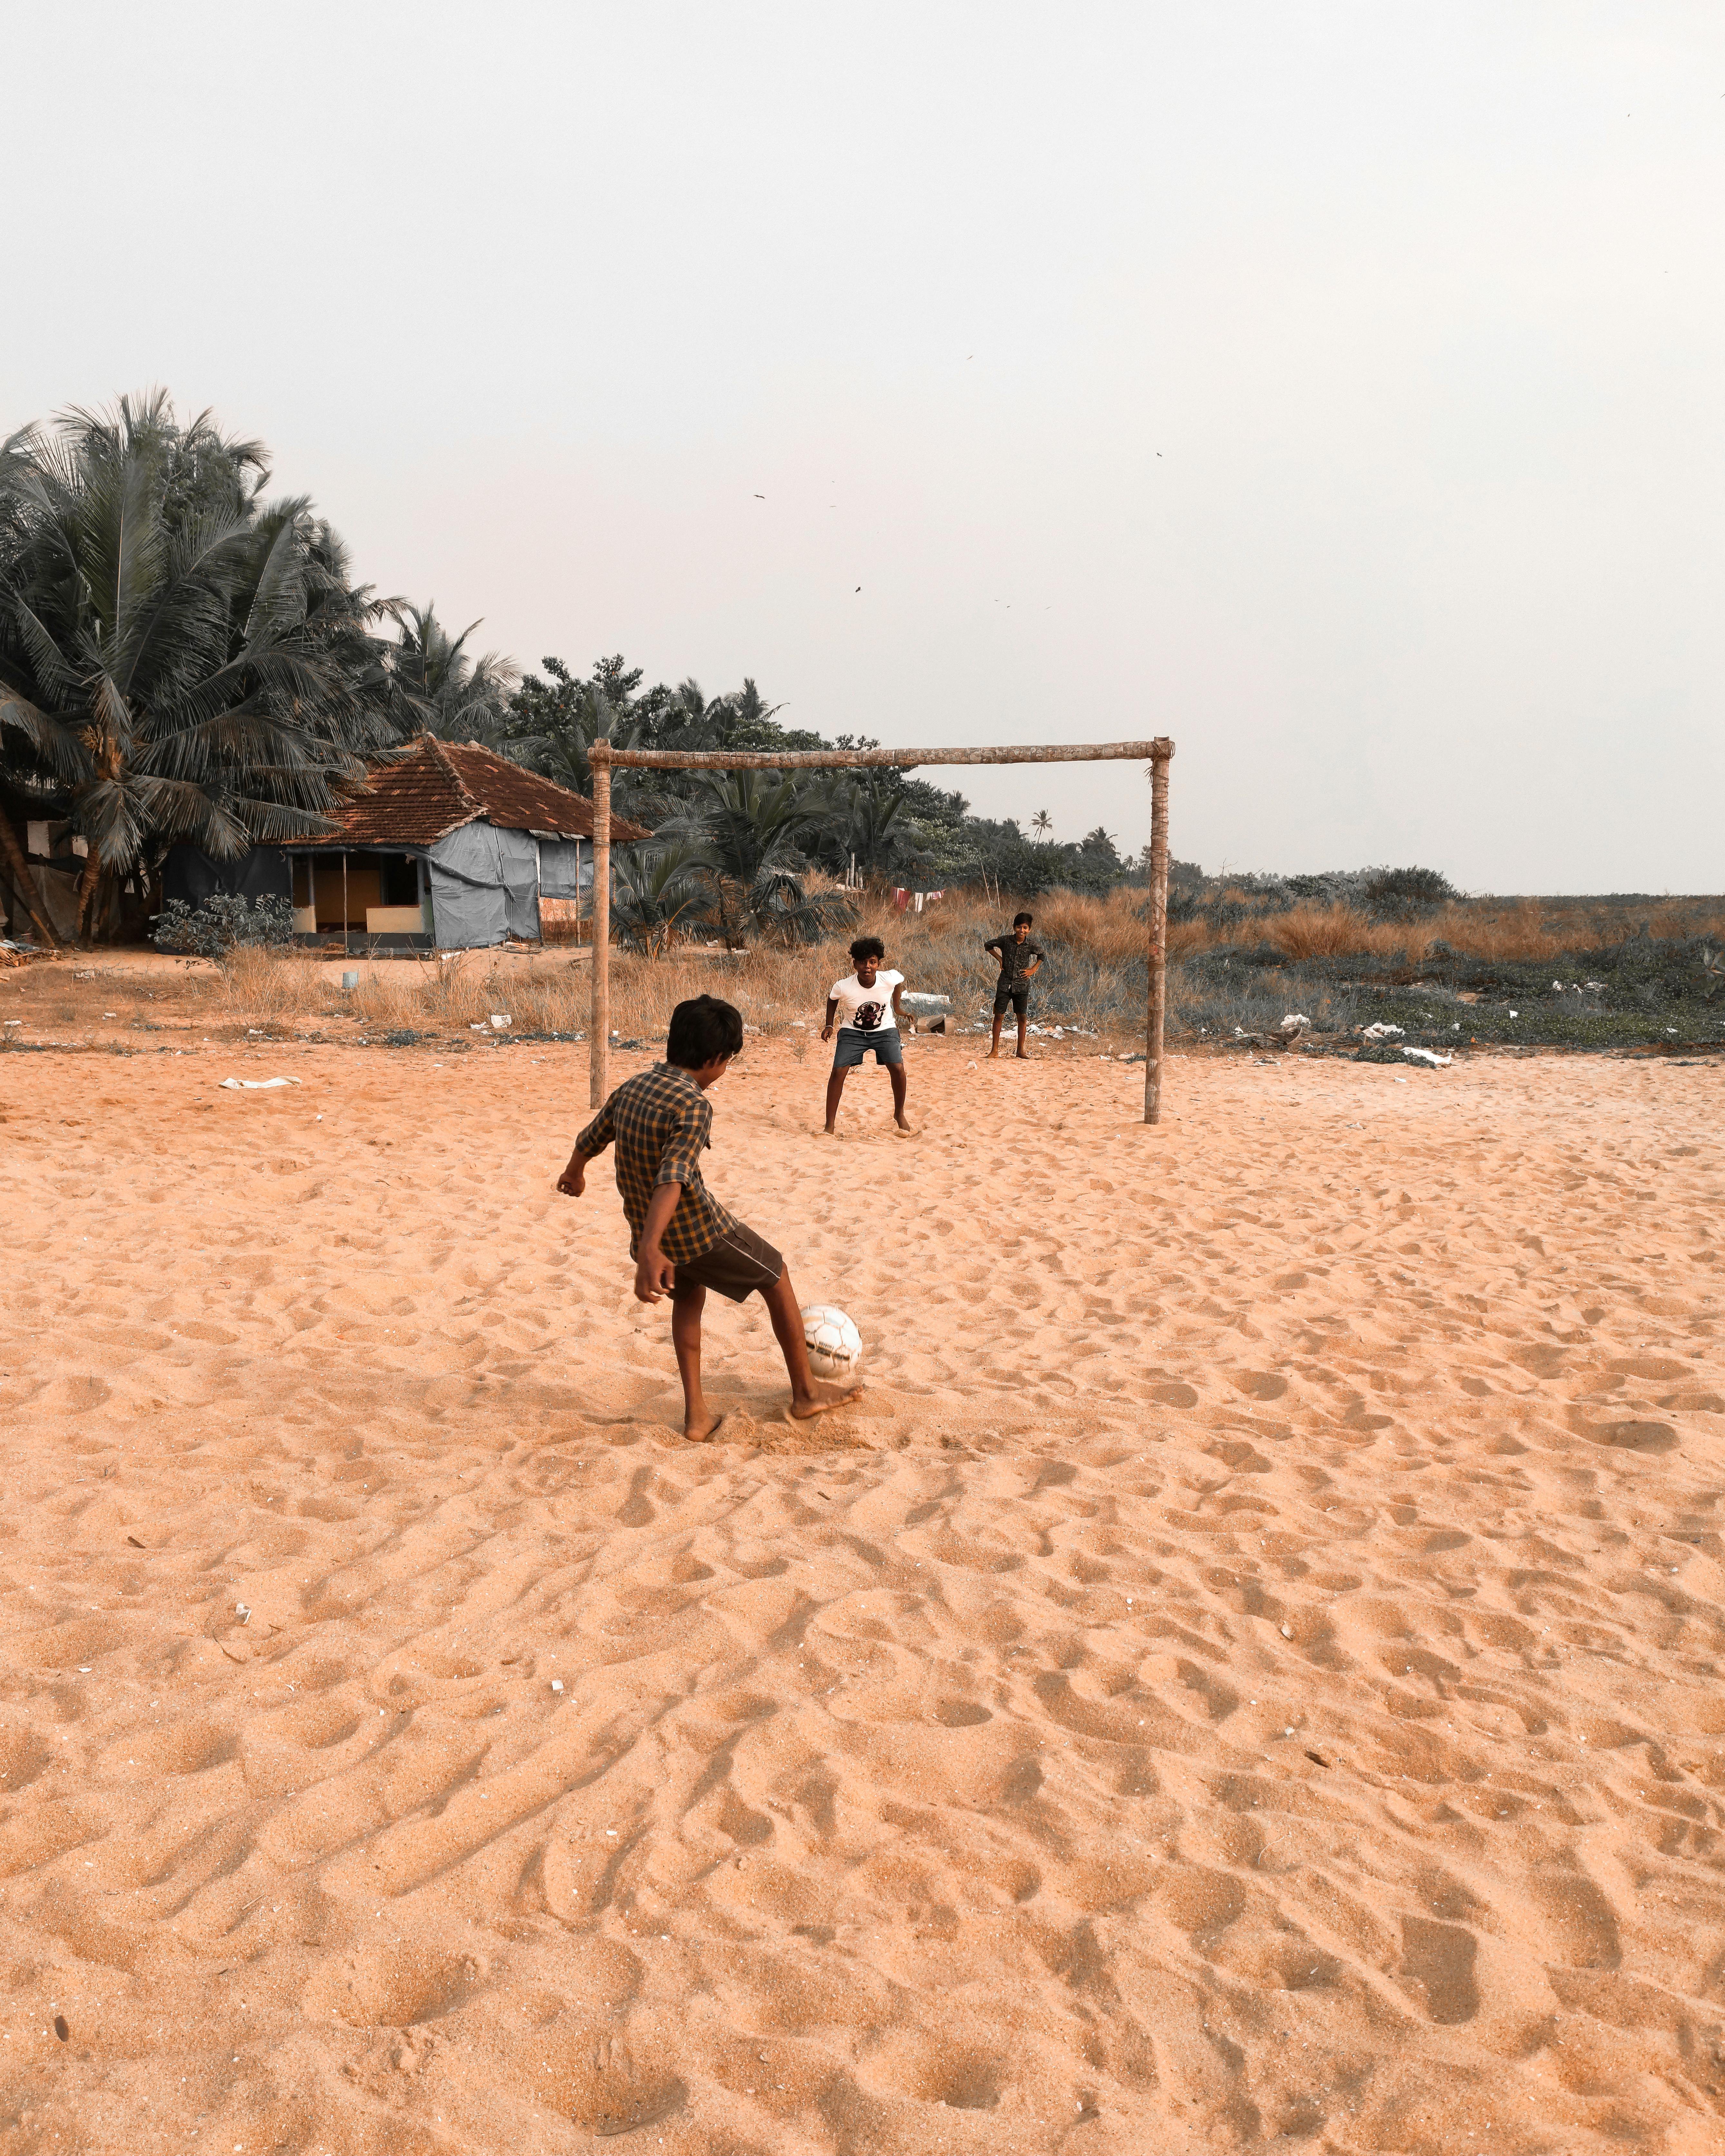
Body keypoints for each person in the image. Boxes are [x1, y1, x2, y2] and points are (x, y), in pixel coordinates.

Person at [557, 993, 861, 1442]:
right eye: (727, 1063)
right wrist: (649, 1250)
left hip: (654, 1234)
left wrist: (573, 1172)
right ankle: (806, 1390)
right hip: (695, 1230)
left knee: (688, 1302)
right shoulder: (694, 1105)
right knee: (775, 1274)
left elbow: (592, 1136)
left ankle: (697, 1415)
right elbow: (674, 1178)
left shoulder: (634, 1086)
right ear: (716, 1059)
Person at [821, 935, 914, 1135]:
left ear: (879, 963)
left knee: (898, 1068)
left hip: (885, 1031)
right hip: (853, 1033)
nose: (868, 967)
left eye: (872, 962)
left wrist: (897, 1008)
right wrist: (829, 1024)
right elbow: (832, 999)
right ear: (855, 964)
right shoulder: (844, 986)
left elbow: (900, 981)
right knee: (838, 1072)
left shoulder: (889, 978)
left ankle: (899, 1114)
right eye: (863, 962)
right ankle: (830, 1125)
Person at [985, 912, 1044, 1058]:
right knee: (999, 1015)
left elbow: (1042, 955)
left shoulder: (1031, 945)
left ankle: (1021, 1051)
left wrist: (1033, 970)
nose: (1022, 931)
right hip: (1005, 984)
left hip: (1022, 986)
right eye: (1019, 927)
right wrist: (1000, 959)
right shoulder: (1005, 941)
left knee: (1022, 1017)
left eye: (1025, 928)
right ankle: (994, 1051)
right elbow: (988, 945)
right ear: (1014, 927)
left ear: (1029, 929)